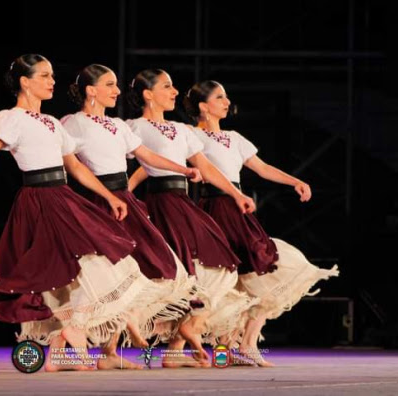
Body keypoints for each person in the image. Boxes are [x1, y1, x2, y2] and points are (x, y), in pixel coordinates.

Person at [0, 54, 155, 371]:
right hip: (39, 199)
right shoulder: (10, 118)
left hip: (64, 196)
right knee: (67, 270)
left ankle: (59, 350)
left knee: (97, 267)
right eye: (44, 76)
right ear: (25, 82)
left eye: (52, 75)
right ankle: (70, 334)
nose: (52, 81)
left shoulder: (53, 122)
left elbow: (75, 167)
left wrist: (107, 196)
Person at [184, 80, 339, 366]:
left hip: (237, 208)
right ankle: (228, 350)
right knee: (231, 281)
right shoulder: (191, 136)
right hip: (213, 208)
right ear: (204, 106)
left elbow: (262, 168)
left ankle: (246, 343)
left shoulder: (234, 137)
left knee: (263, 272)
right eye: (220, 97)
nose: (227, 101)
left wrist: (296, 181)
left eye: (226, 96)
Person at [62, 64, 203, 368]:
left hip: (123, 199)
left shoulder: (119, 125)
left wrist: (184, 169)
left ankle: (111, 350)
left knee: (154, 267)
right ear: (91, 90)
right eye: (110, 85)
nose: (116, 91)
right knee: (104, 273)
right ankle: (75, 339)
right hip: (98, 201)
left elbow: (147, 156)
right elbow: (73, 165)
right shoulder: (74, 123)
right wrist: (106, 196)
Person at [126, 69, 259, 366]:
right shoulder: (134, 126)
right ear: (148, 94)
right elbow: (138, 163)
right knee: (163, 270)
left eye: (174, 87)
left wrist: (237, 195)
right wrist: (121, 195)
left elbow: (207, 168)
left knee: (216, 266)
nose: (175, 92)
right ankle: (130, 331)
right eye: (167, 86)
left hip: (182, 201)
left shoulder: (182, 129)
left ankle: (180, 342)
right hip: (160, 203)